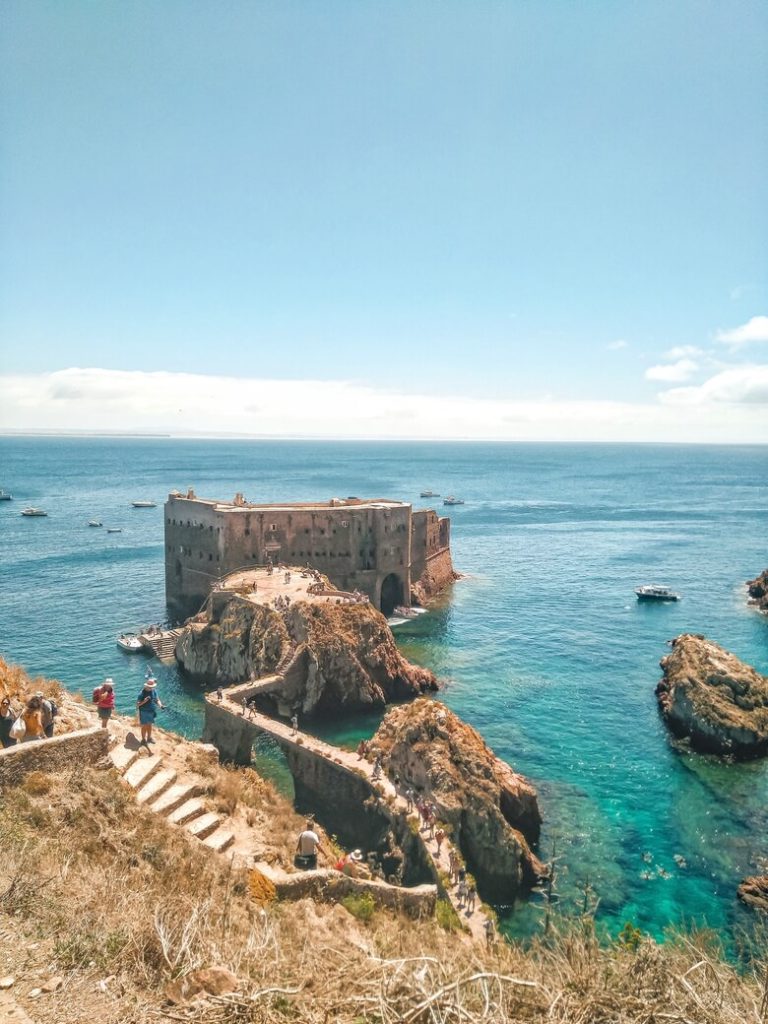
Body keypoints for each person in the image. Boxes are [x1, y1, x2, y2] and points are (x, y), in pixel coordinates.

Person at [137, 678, 164, 745]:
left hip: (151, 711)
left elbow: (157, 699)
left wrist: (161, 705)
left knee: (150, 725)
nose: (151, 688)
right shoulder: (142, 693)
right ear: (146, 685)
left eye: (152, 687)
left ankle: (149, 738)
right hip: (144, 712)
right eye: (149, 687)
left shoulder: (154, 691)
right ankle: (143, 740)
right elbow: (137, 704)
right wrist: (144, 701)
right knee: (144, 726)